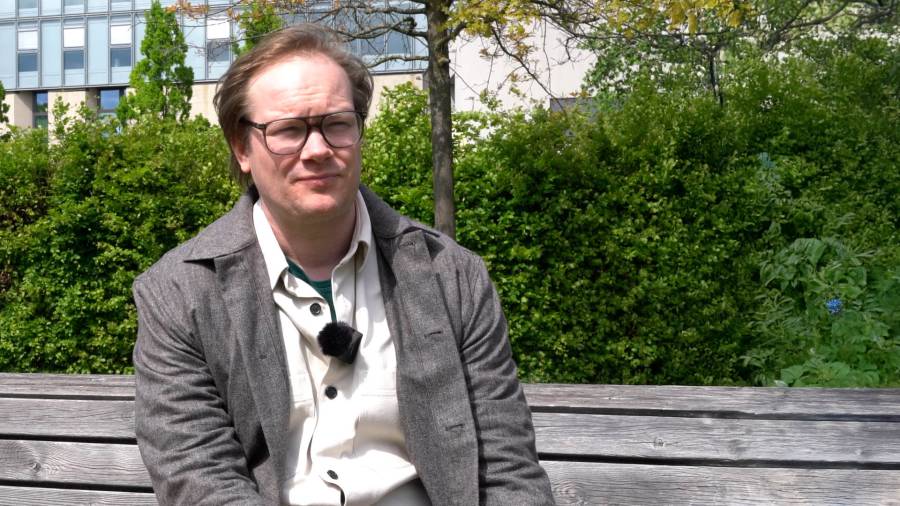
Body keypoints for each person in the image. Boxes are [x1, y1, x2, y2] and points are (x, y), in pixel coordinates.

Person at [132, 23, 554, 506]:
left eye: (336, 124)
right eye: (288, 130)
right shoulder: (180, 294)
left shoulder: (452, 277)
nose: (318, 150)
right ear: (241, 148)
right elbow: (199, 479)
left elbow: (507, 469)